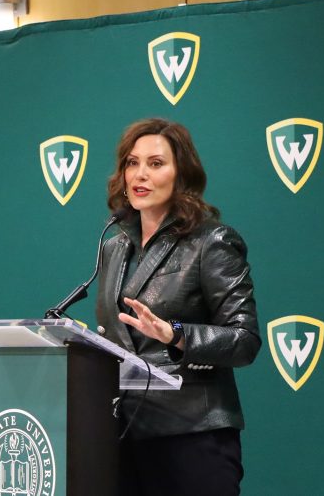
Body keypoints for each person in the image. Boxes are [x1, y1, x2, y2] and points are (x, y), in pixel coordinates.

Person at [95, 118, 260, 496]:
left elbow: (245, 339)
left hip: (193, 434)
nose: (140, 174)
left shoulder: (211, 241)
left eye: (156, 164)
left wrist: (177, 334)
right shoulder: (113, 247)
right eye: (131, 163)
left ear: (181, 173)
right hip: (124, 436)